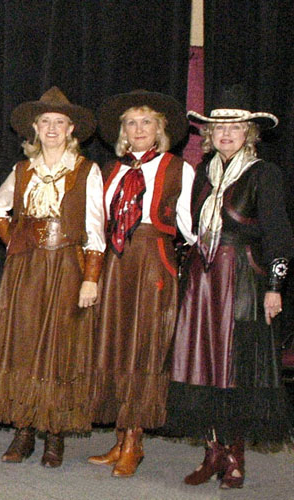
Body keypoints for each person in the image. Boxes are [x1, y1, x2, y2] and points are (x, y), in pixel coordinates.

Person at [167, 85, 294, 489]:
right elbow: (192, 226)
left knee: (235, 367)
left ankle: (235, 457)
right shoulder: (205, 172)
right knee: (201, 363)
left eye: (235, 127)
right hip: (202, 280)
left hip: (241, 279)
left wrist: (274, 286)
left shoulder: (263, 174)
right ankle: (212, 452)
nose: (226, 134)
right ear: (208, 135)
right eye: (219, 128)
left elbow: (277, 234)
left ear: (249, 134)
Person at [0, 87, 105, 467]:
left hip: (66, 265)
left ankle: (54, 435)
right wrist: (13, 236)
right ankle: (24, 430)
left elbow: (96, 226)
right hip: (26, 268)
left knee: (59, 346)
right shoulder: (23, 169)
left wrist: (90, 277)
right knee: (25, 343)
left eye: (58, 122)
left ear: (70, 129)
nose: (51, 128)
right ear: (35, 127)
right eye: (45, 122)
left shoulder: (86, 171)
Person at [85, 90, 193, 476]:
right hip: (115, 264)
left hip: (153, 263)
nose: (138, 129)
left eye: (147, 122)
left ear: (160, 129)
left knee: (143, 347)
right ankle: (119, 437)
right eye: (131, 123)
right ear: (123, 132)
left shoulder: (178, 168)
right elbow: (97, 223)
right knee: (113, 344)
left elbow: (190, 229)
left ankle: (135, 442)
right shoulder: (112, 171)